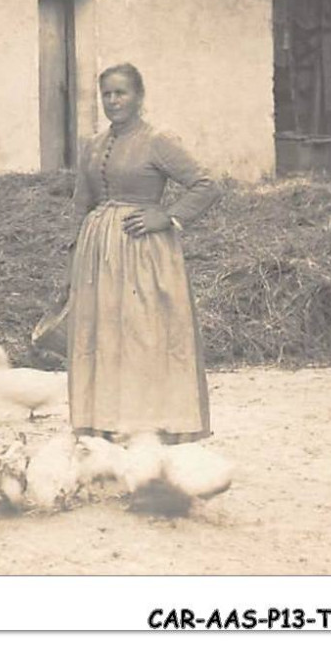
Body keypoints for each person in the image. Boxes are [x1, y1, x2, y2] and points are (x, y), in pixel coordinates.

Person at [65, 63, 221, 443]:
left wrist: (166, 217)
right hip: (97, 255)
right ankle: (107, 424)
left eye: (121, 93)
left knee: (143, 336)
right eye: (107, 94)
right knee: (103, 337)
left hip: (143, 253)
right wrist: (73, 253)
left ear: (139, 97)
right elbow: (81, 202)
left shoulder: (157, 140)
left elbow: (206, 185)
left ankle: (150, 427)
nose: (113, 101)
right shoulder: (93, 144)